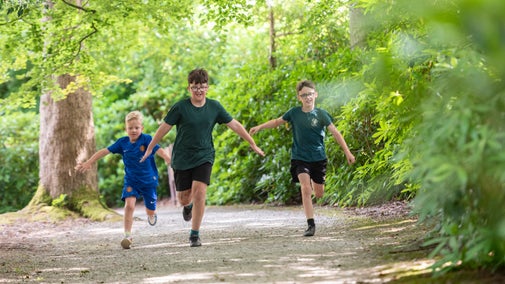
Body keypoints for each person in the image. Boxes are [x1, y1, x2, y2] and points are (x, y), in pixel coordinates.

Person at [140, 68, 264, 247]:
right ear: (189, 88)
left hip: (204, 155)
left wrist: (252, 143)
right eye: (195, 87)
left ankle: (194, 234)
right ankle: (187, 207)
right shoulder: (180, 107)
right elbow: (163, 129)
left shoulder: (214, 107)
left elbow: (234, 125)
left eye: (202, 86)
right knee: (184, 198)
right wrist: (150, 148)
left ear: (208, 88)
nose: (199, 90)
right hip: (182, 158)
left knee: (200, 192)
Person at [249, 80, 356, 237]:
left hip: (319, 158)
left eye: (310, 94)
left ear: (315, 94)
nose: (308, 97)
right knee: (305, 189)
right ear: (299, 97)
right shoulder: (294, 113)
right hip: (300, 158)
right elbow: (277, 121)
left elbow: (335, 133)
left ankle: (314, 185)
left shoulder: (321, 115)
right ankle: (310, 224)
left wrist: (347, 152)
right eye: (304, 95)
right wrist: (260, 127)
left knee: (319, 194)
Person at [75, 111, 171, 249]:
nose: (133, 130)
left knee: (150, 210)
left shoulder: (147, 139)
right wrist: (89, 162)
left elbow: (159, 150)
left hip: (148, 180)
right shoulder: (122, 143)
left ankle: (151, 214)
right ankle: (127, 235)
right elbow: (104, 151)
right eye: (130, 128)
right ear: (126, 129)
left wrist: (167, 158)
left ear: (141, 128)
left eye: (136, 128)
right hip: (131, 181)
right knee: (129, 206)